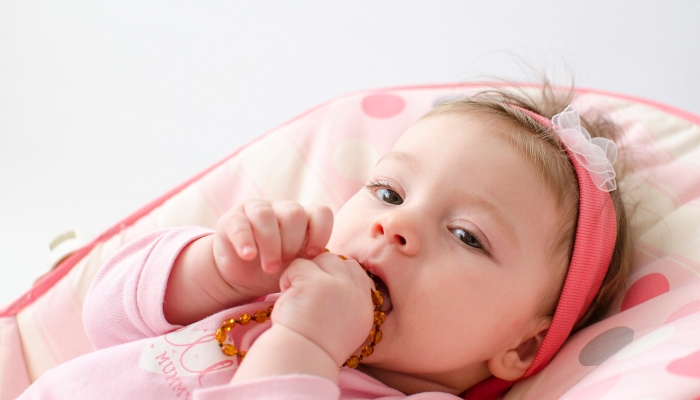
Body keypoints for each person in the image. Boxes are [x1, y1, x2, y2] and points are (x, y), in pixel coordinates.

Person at [18, 83, 631, 400]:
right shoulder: (258, 298)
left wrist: (305, 346)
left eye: (467, 236)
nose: (397, 226)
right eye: (389, 193)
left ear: (520, 349)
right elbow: (102, 322)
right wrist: (216, 273)